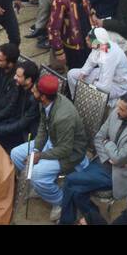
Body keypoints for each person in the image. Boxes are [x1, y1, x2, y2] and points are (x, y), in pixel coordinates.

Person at [57, 92, 127, 225]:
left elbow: (118, 158)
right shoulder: (115, 113)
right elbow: (99, 137)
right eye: (118, 106)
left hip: (115, 174)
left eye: (122, 109)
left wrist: (107, 143)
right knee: (76, 190)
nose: (117, 110)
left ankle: (68, 222)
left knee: (70, 180)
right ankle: (92, 215)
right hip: (101, 162)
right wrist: (106, 157)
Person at [9, 72, 85, 219]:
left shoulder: (63, 117)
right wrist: (36, 149)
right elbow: (43, 128)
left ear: (43, 96)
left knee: (37, 174)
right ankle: (39, 187)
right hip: (53, 142)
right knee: (16, 154)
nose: (32, 90)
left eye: (35, 90)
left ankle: (61, 201)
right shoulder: (46, 102)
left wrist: (39, 156)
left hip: (70, 154)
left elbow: (65, 149)